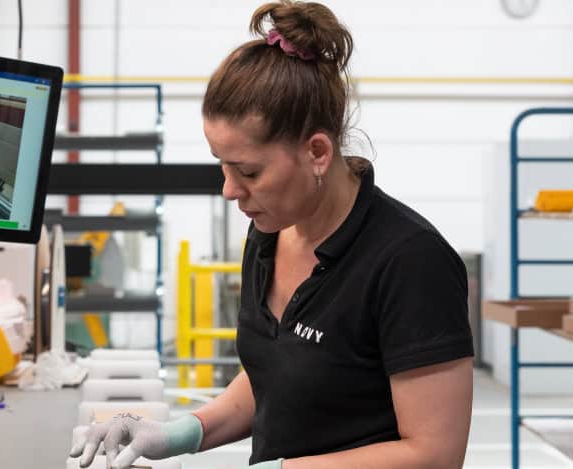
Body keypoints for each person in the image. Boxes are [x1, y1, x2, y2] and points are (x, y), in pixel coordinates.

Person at [70, 1, 474, 468]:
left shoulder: (410, 262)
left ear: (317, 152)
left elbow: (434, 454)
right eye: (222, 165)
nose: (228, 190)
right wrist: (181, 432)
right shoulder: (268, 235)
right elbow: (277, 376)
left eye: (248, 171)